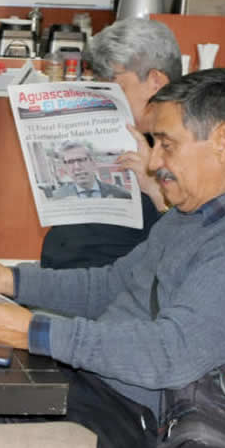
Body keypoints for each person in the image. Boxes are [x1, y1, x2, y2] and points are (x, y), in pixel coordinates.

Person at [0, 68, 225, 448]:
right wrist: (11, 280)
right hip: (111, 386)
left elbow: (170, 355)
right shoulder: (191, 213)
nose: (154, 163)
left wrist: (36, 332)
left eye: (167, 144)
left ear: (223, 141)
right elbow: (109, 287)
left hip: (152, 418)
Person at [41, 18, 179, 269]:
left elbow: (191, 243)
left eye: (115, 88)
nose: (105, 99)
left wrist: (154, 186)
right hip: (60, 267)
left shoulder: (189, 144)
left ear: (155, 82)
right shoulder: (115, 129)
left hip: (111, 284)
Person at [51, 141, 132, 199]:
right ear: (64, 167)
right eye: (70, 162)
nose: (77, 167)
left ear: (92, 162)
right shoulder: (58, 197)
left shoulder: (122, 194)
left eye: (81, 160)